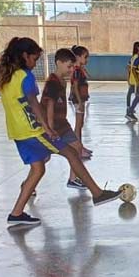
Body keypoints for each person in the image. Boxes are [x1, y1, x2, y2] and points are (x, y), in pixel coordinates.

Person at [0, 37, 121, 226]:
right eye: (34, 59)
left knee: (38, 169)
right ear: (24, 56)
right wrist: (47, 128)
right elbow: (35, 105)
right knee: (71, 153)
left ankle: (16, 213)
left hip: (18, 134)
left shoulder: (4, 77)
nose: (35, 64)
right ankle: (97, 193)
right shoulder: (25, 77)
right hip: (33, 131)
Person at [42, 48, 91, 191]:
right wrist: (50, 128)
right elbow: (49, 105)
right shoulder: (52, 81)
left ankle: (73, 179)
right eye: (69, 67)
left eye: (72, 67)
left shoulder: (62, 81)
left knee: (77, 148)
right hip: (52, 126)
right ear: (59, 63)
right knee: (43, 160)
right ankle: (28, 185)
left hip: (63, 125)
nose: (71, 70)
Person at [69, 45, 92, 159]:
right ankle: (78, 149)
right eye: (85, 57)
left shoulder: (79, 69)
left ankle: (80, 146)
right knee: (78, 125)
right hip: (78, 100)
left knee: (81, 124)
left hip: (81, 99)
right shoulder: (76, 71)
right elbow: (75, 86)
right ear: (77, 57)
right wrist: (79, 101)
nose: (87, 60)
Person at [126, 41, 139, 115]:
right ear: (137, 48)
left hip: (132, 79)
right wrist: (129, 77)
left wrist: (128, 77)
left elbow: (128, 68)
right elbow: (130, 68)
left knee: (131, 93)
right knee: (138, 95)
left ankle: (129, 107)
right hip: (134, 80)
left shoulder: (133, 57)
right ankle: (130, 110)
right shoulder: (136, 58)